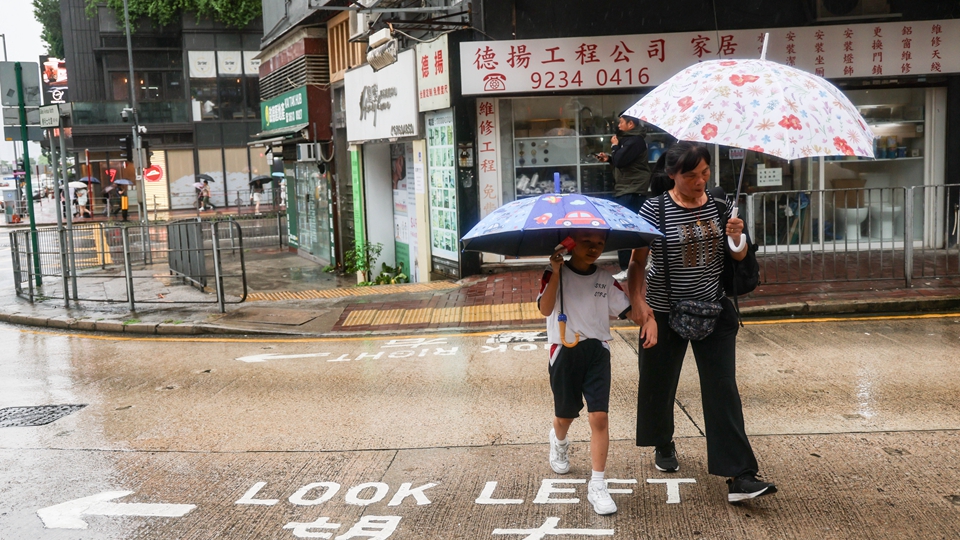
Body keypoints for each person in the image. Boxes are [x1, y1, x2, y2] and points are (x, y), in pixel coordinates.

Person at [626, 141, 777, 504]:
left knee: (723, 389)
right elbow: (635, 263)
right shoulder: (654, 209)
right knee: (659, 382)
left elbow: (737, 256)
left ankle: (740, 475)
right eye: (691, 175)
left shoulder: (720, 205)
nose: (700, 181)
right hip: (665, 312)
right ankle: (663, 442)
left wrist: (738, 238)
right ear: (671, 175)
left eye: (705, 174)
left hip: (714, 308)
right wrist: (640, 308)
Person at [537, 228, 642, 515]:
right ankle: (558, 441)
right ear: (571, 244)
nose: (594, 248)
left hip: (597, 352)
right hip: (564, 351)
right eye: (587, 242)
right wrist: (556, 271)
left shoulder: (605, 280)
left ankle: (598, 484)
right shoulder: (553, 272)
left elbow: (628, 311)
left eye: (599, 243)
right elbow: (545, 309)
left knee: (599, 417)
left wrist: (647, 306)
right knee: (565, 415)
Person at [597, 112, 652, 281]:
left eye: (621, 122)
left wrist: (614, 147)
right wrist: (609, 159)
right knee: (631, 227)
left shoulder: (635, 141)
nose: (618, 125)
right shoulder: (630, 141)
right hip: (629, 187)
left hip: (631, 189)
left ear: (631, 124)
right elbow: (623, 162)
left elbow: (621, 161)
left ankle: (628, 267)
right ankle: (635, 263)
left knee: (625, 227)